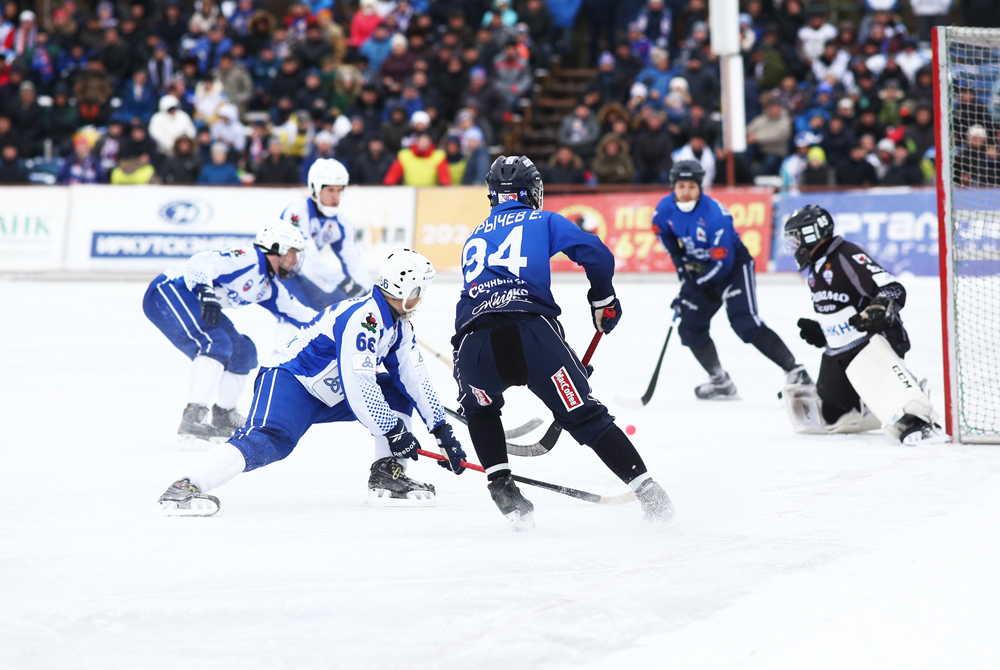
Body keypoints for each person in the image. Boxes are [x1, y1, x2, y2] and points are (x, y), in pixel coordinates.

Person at [452, 155, 674, 529]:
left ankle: (501, 483)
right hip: (533, 339)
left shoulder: (474, 236)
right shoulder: (543, 219)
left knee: (481, 411)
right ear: (532, 192)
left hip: (474, 347)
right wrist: (603, 300)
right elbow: (597, 254)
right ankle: (650, 495)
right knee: (586, 417)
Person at [157, 250, 467, 515]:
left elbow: (415, 380)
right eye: (421, 290)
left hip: (332, 392)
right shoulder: (365, 320)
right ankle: (187, 484)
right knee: (269, 441)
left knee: (396, 392)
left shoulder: (400, 326)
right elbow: (360, 386)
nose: (422, 297)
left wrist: (442, 431)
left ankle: (388, 473)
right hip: (291, 381)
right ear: (407, 289)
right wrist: (393, 431)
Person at [781, 205, 946, 444]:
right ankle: (871, 401)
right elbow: (840, 306)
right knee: (832, 416)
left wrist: (878, 309)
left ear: (811, 233)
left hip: (870, 343)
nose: (793, 244)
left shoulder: (846, 254)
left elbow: (893, 288)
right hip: (840, 350)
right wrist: (824, 330)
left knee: (909, 424)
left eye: (796, 237)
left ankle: (909, 406)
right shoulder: (815, 267)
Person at [142, 221, 316, 442]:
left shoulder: (269, 286)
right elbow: (200, 261)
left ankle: (224, 414)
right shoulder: (248, 257)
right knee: (215, 344)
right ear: (276, 247)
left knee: (243, 352)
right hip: (168, 291)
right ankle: (193, 416)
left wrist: (337, 327)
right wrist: (205, 291)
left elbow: (302, 315)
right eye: (292, 253)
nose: (294, 261)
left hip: (197, 302)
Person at [653, 160, 810, 399]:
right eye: (681, 186)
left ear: (700, 187)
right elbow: (664, 234)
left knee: (744, 323)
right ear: (673, 186)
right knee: (690, 327)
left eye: (691, 186)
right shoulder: (664, 208)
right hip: (703, 269)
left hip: (733, 267)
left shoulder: (715, 216)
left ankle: (796, 371)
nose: (686, 192)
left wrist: (692, 287)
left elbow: (723, 266)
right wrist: (682, 267)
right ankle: (720, 381)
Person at [279, 158, 373, 310]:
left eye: (339, 190)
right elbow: (307, 262)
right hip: (279, 274)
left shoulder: (341, 223)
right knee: (299, 316)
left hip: (305, 276)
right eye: (330, 190)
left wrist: (370, 295)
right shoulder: (297, 213)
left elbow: (354, 262)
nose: (336, 196)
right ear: (315, 189)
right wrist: (343, 282)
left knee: (338, 310)